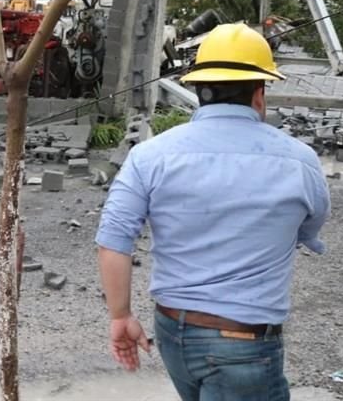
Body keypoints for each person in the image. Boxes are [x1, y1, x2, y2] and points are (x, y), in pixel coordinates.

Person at [95, 23, 330, 400]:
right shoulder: (300, 161)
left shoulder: (150, 156)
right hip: (245, 343)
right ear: (259, 92)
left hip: (174, 334)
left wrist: (120, 316)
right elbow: (311, 224)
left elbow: (113, 240)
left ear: (200, 91)